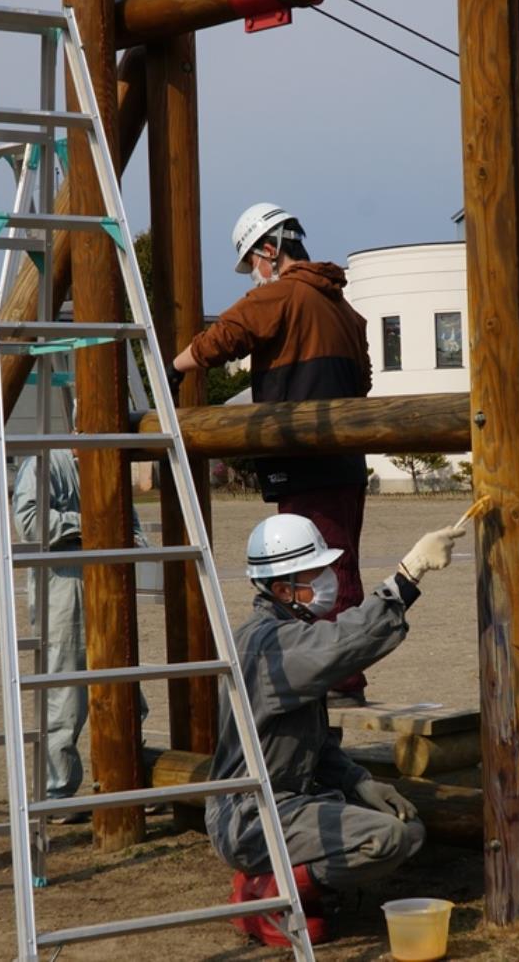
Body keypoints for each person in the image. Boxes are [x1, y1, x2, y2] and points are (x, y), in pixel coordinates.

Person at [206, 512, 465, 947]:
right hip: (252, 816)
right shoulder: (271, 645)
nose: (328, 580)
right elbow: (342, 644)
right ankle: (269, 895)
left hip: (286, 804)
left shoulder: (287, 633)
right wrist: (407, 576)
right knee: (385, 839)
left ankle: (277, 882)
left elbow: (311, 745)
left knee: (408, 829)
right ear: (283, 588)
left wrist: (359, 781)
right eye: (316, 573)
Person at [170, 204, 375, 705]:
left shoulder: (284, 293)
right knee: (340, 567)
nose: (255, 276)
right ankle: (341, 676)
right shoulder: (344, 310)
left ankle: (336, 681)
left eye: (253, 264)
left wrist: (175, 368)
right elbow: (365, 382)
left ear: (270, 248)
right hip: (347, 461)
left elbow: (226, 335)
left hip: (305, 459)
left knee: (314, 572)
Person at [12, 448, 146, 821]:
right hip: (63, 592)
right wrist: (96, 523)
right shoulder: (44, 463)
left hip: (111, 589)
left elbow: (131, 528)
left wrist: (123, 535)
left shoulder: (110, 464)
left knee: (126, 688)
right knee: (65, 695)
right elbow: (31, 523)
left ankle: (130, 780)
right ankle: (58, 794)